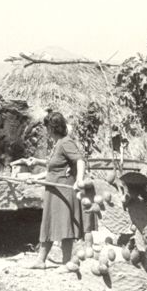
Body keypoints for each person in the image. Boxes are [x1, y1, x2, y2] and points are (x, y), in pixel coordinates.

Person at [29, 111, 91, 269]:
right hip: (53, 190)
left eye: (47, 128)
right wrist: (37, 163)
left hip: (64, 191)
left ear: (51, 129)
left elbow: (80, 161)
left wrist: (79, 180)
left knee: (65, 226)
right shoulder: (58, 143)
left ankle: (65, 263)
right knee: (48, 223)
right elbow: (55, 164)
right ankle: (40, 261)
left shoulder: (65, 142)